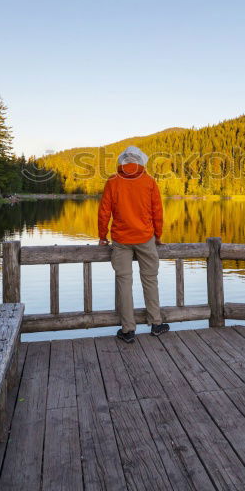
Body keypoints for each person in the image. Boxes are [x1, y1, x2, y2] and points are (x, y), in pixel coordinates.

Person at [98, 145, 169, 343]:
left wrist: (103, 236)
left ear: (123, 162)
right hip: (146, 238)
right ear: (140, 161)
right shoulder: (149, 181)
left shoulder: (113, 181)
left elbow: (104, 212)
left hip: (121, 240)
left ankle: (128, 330)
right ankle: (156, 323)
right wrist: (159, 235)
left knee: (124, 283)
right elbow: (158, 212)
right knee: (150, 279)